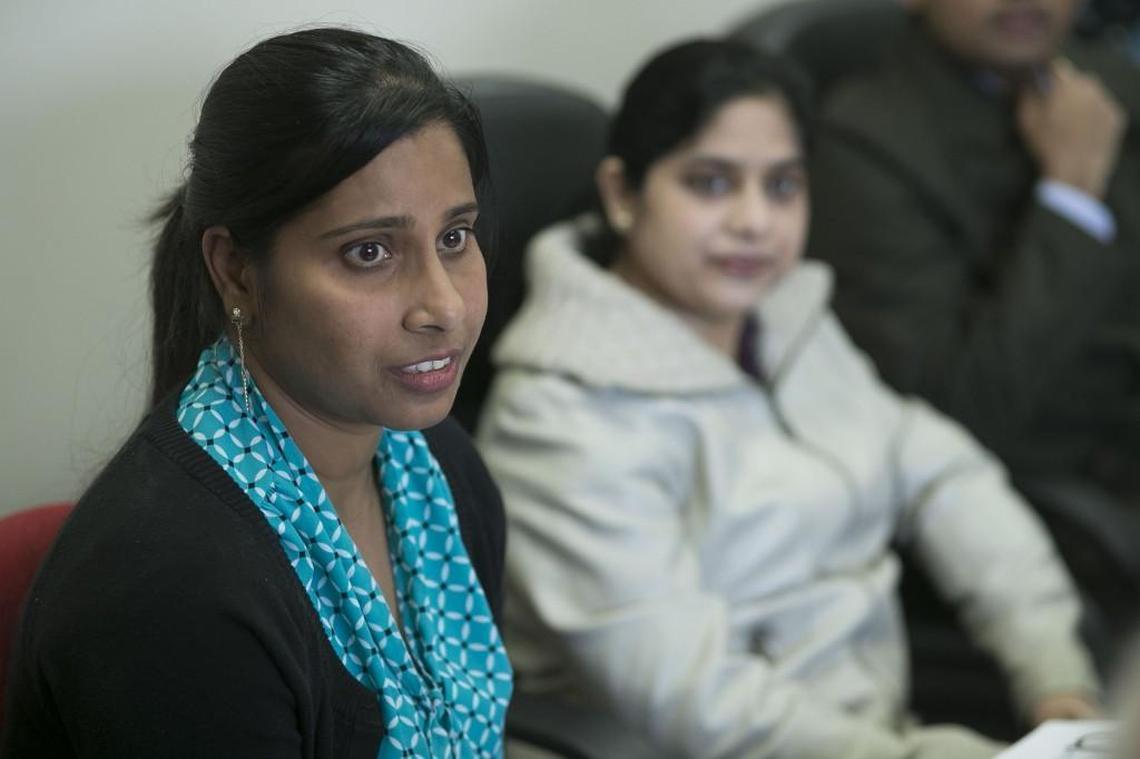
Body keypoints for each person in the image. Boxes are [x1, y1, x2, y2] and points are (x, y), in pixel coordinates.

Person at [476, 38, 1098, 758]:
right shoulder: (556, 417)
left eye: (782, 185)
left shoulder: (787, 319)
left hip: (876, 727)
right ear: (622, 193)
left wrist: (1058, 681)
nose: (755, 221)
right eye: (711, 183)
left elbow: (941, 475)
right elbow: (695, 702)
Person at [1, 27, 512, 758]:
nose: (444, 307)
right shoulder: (172, 593)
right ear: (237, 271)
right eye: (369, 252)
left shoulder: (442, 465)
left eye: (455, 238)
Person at [806, 0, 1140, 635]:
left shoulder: (1106, 87)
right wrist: (1071, 195)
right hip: (1043, 494)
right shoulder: (864, 143)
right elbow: (961, 411)